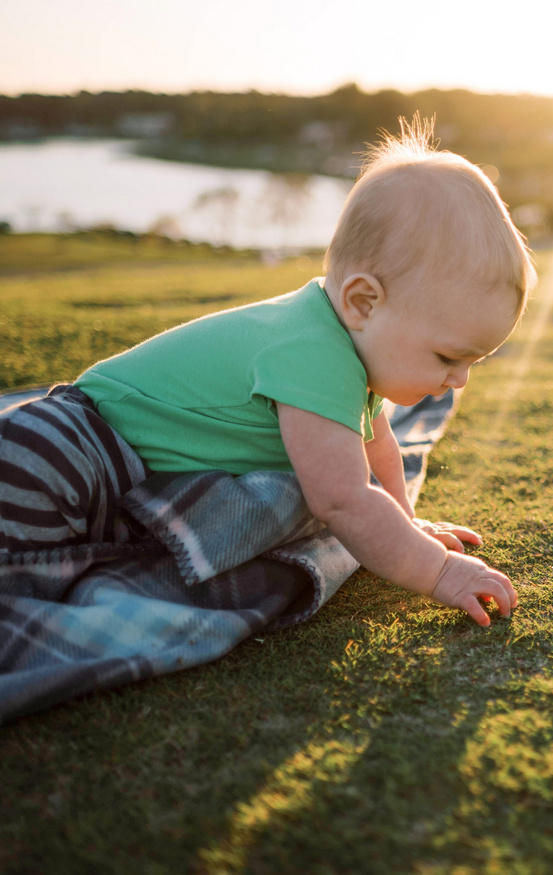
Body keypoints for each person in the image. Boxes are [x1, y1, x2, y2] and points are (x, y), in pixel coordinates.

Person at [0, 120, 537, 627]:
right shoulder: (312, 353)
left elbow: (377, 446)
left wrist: (403, 524)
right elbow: (343, 499)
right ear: (364, 302)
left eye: (473, 363)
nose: (460, 381)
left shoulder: (344, 344)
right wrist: (437, 570)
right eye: (448, 358)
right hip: (70, 448)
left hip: (103, 463)